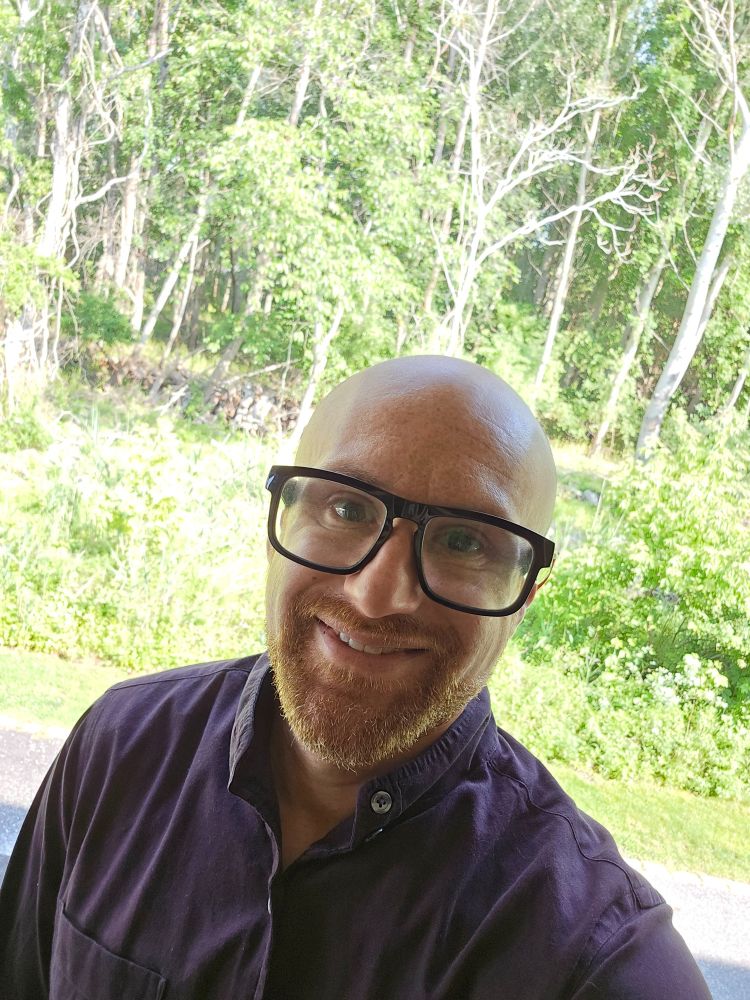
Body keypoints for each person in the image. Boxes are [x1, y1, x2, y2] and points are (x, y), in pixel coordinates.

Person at [0, 356, 710, 999]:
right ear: (280, 519)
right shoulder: (120, 748)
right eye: (346, 508)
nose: (378, 596)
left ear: (523, 598)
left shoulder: (595, 964)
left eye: (464, 541)